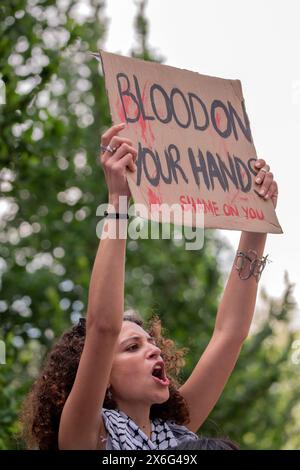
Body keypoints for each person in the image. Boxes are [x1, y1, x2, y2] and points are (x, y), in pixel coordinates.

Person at [20, 122, 279, 450]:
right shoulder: (86, 437)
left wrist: (257, 223)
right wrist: (119, 200)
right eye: (132, 347)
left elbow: (230, 334)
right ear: (104, 380)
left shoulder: (174, 432)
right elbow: (103, 327)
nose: (155, 350)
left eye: (149, 342)